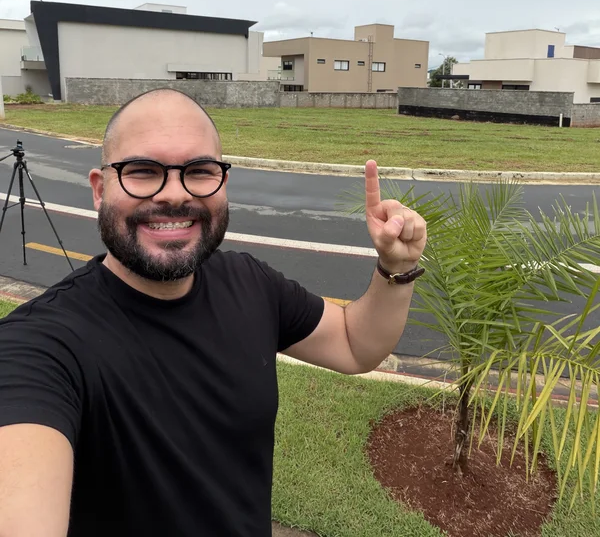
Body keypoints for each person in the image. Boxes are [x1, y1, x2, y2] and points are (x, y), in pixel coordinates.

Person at [0, 88, 427, 537]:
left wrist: (395, 266)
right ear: (99, 189)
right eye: (142, 171)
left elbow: (356, 345)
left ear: (222, 182)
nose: (173, 195)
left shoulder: (250, 282)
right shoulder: (38, 348)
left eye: (199, 171)